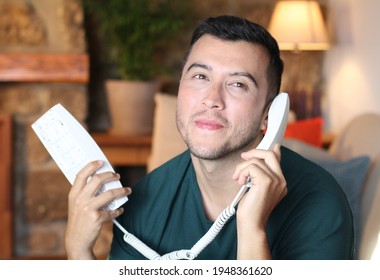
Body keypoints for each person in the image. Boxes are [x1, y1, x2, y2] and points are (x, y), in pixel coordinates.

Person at [65, 15, 354, 260]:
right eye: (200, 77)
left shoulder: (319, 204)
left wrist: (252, 228)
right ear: (180, 90)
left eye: (238, 84)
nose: (212, 99)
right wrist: (78, 251)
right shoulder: (145, 203)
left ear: (270, 113)